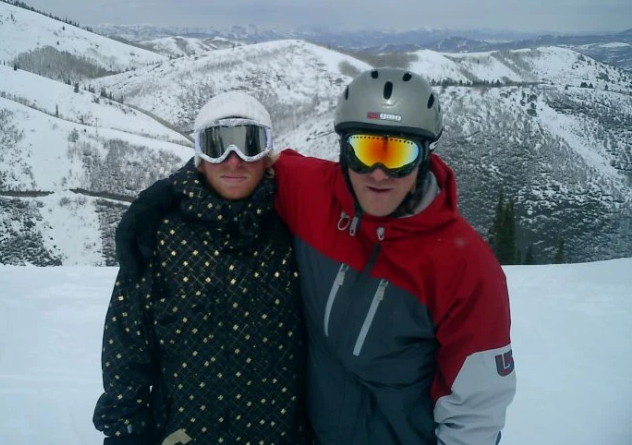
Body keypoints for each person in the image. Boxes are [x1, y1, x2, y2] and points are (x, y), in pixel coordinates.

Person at [117, 68, 516, 445]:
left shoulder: (466, 268)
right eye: (363, 150)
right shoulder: (315, 198)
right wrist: (161, 199)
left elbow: (476, 412)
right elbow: (250, 165)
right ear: (343, 150)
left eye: (398, 154)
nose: (378, 173)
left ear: (424, 156)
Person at [93, 91, 309, 445]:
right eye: (217, 145)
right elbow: (127, 340)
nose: (234, 161)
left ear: (268, 157)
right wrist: (125, 429)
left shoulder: (294, 227)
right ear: (199, 158)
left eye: (250, 145)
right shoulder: (161, 235)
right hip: (186, 433)